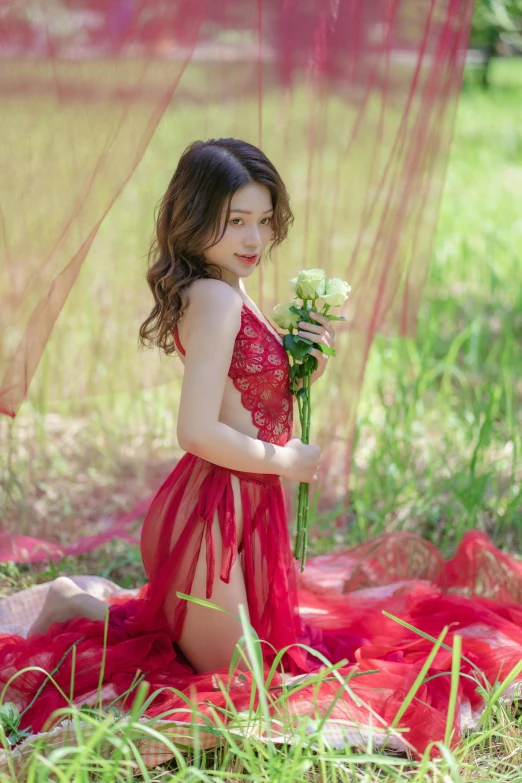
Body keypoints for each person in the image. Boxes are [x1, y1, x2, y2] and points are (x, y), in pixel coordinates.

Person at [25, 138, 336, 676]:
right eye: (236, 220)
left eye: (264, 221)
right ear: (195, 216)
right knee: (241, 690)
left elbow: (243, 394)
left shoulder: (230, 286)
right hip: (209, 514)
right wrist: (287, 461)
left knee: (253, 669)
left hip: (245, 502)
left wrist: (306, 365)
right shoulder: (215, 298)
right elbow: (195, 429)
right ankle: (74, 607)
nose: (255, 238)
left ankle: (102, 607)